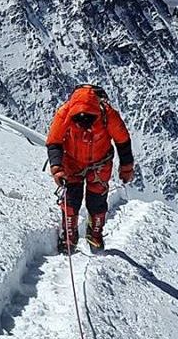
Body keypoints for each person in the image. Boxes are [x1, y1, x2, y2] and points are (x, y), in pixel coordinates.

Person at [46, 84, 134, 254]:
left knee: (97, 201)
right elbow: (54, 141)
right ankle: (70, 235)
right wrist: (57, 168)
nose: (84, 122)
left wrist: (127, 167)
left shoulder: (107, 114)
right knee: (71, 200)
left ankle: (93, 234)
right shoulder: (66, 114)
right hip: (74, 163)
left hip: (98, 164)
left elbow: (122, 141)